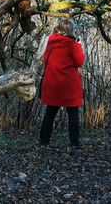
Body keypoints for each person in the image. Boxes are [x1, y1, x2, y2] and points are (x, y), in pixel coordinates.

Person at [39, 18, 85, 149]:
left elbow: (45, 60)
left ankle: (43, 141)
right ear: (70, 29)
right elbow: (79, 62)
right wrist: (79, 45)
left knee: (50, 112)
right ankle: (75, 143)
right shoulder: (72, 44)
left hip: (52, 83)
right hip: (69, 85)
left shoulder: (50, 42)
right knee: (73, 113)